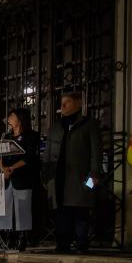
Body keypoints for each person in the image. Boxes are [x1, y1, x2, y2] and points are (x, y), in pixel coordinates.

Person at [43, 91, 100, 253]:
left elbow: (96, 154)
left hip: (81, 178)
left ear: (78, 103)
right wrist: (46, 177)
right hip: (58, 178)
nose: (62, 107)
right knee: (61, 214)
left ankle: (82, 245)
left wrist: (92, 180)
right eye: (61, 104)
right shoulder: (55, 127)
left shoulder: (89, 125)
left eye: (66, 103)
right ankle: (62, 245)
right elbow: (47, 153)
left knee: (81, 212)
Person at [0, 108, 40, 251]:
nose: (8, 119)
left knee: (23, 209)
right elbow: (0, 156)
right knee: (5, 209)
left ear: (20, 119)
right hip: (7, 178)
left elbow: (28, 157)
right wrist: (3, 168)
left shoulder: (31, 135)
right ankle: (7, 238)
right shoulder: (7, 136)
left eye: (12, 116)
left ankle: (22, 238)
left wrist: (12, 168)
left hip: (23, 178)